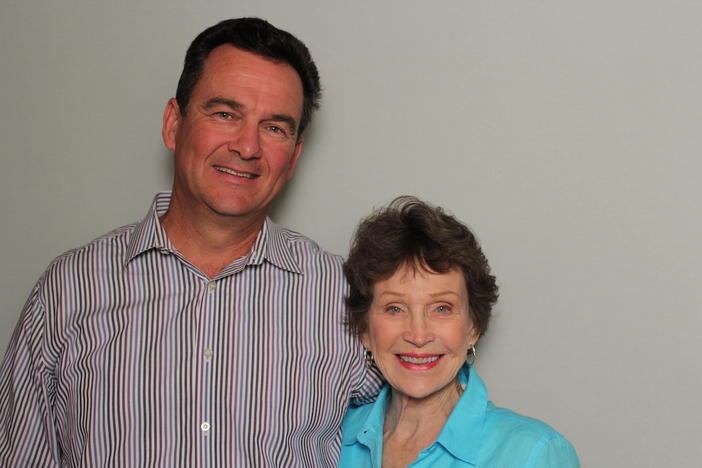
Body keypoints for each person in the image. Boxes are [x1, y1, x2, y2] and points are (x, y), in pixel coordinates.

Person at [0, 18, 380, 467]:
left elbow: (430, 420)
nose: (247, 146)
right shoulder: (69, 289)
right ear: (173, 125)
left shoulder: (342, 295)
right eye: (225, 114)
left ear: (293, 155)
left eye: (274, 127)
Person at [339, 196, 579, 467]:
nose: (418, 336)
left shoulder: (532, 454)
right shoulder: (329, 437)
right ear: (365, 330)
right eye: (395, 308)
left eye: (441, 308)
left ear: (473, 326)